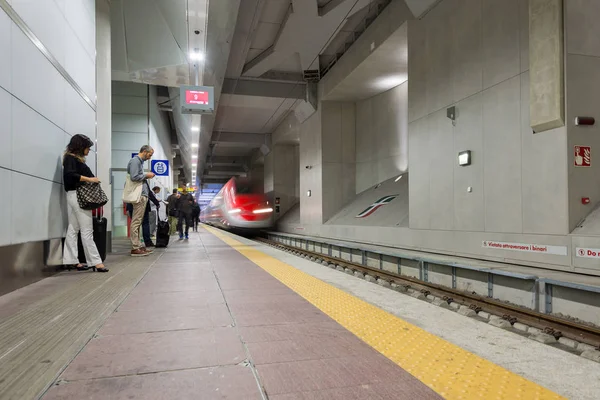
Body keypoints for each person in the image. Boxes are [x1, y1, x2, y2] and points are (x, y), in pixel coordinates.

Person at [62, 134, 108, 272]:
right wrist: (90, 179)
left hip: (74, 196)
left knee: (73, 229)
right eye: (87, 147)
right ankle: (96, 262)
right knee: (87, 230)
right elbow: (70, 175)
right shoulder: (71, 159)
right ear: (80, 147)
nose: (88, 150)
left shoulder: (71, 158)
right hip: (79, 196)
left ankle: (71, 260)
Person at [127, 145, 155, 256]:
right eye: (149, 154)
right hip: (138, 195)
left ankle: (138, 245)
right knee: (136, 221)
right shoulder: (135, 161)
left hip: (141, 195)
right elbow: (134, 177)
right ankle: (135, 247)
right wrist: (146, 175)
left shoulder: (139, 162)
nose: (150, 157)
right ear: (144, 151)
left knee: (138, 221)